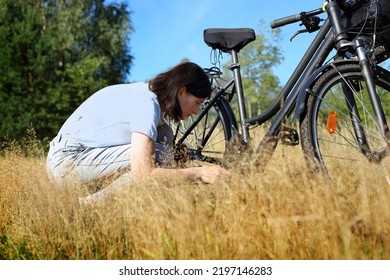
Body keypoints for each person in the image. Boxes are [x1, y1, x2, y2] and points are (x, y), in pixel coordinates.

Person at [46, 62, 229, 200]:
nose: (196, 111)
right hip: (66, 163)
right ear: (182, 92)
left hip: (76, 157)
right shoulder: (147, 104)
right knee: (156, 155)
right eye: (197, 103)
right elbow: (144, 175)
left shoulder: (149, 101)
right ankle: (89, 205)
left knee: (164, 139)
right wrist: (198, 173)